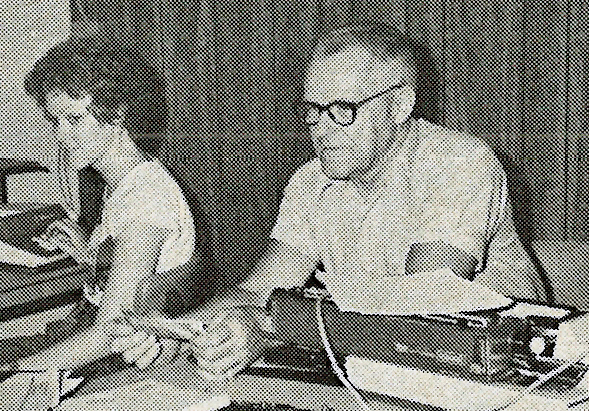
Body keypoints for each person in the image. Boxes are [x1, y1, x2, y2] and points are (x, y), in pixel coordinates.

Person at [111, 22, 545, 379]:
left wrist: (264, 328)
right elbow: (259, 288)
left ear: (399, 105)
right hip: (376, 370)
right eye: (313, 110)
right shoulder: (310, 181)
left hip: (503, 373)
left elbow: (420, 308)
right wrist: (187, 330)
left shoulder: (459, 161)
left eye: (342, 109)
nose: (321, 128)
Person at [0, 36, 197, 399]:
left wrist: (10, 375)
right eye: (55, 121)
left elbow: (111, 331)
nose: (62, 136)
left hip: (109, 366)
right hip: (77, 335)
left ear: (118, 113)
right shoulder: (125, 184)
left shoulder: (145, 202)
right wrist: (88, 253)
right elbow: (135, 277)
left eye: (74, 119)